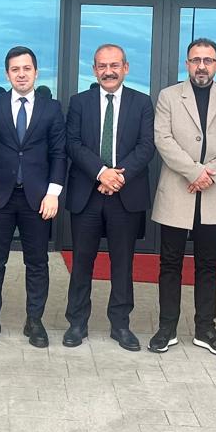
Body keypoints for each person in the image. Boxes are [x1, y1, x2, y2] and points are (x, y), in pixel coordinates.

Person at [151, 40, 216, 357]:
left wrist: (210, 174)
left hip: (214, 193)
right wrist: (194, 172)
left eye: (208, 60)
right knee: (170, 263)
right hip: (177, 190)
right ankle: (167, 328)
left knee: (208, 264)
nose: (202, 66)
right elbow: (162, 139)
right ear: (187, 64)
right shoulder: (168, 96)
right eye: (196, 60)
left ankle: (206, 329)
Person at [62, 43, 154, 350]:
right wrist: (101, 172)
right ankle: (77, 323)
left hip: (125, 195)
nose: (108, 71)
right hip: (87, 193)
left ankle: (120, 325)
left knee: (122, 264)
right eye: (102, 66)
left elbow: (146, 146)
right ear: (94, 70)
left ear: (125, 68)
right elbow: (73, 143)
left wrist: (117, 177)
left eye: (114, 65)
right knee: (81, 262)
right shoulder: (79, 102)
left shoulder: (142, 102)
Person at [0, 46, 66, 347]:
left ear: (36, 72)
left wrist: (53, 193)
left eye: (27, 68)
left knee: (37, 263)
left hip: (38, 199)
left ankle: (34, 321)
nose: (21, 74)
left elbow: (59, 154)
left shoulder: (51, 108)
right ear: (7, 74)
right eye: (15, 69)